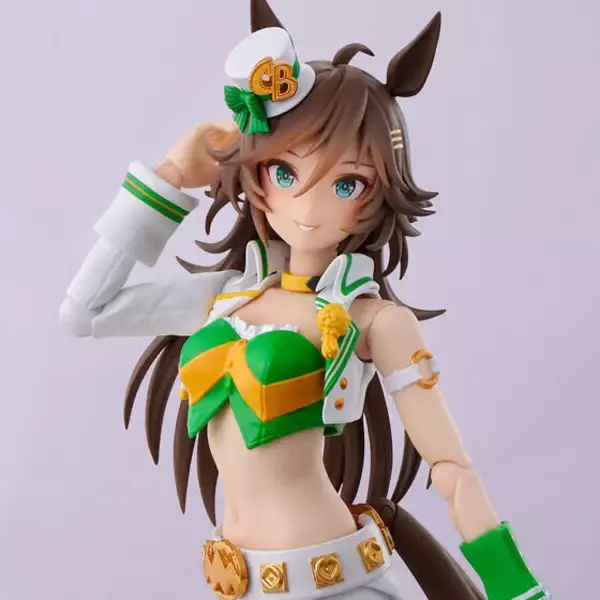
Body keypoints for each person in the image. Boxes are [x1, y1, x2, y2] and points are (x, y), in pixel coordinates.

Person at [59, 1, 550, 598]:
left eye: (347, 183)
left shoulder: (373, 321)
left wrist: (515, 589)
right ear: (257, 172)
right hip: (239, 581)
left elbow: (452, 468)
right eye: (285, 174)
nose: (309, 210)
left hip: (333, 582)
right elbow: (86, 312)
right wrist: (167, 179)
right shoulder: (229, 297)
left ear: (380, 192)